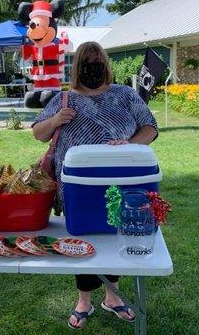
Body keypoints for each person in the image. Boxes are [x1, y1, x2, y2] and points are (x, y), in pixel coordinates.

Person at [32, 41, 158, 329]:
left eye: (97, 62)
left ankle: (112, 296)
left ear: (105, 65)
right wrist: (55, 120)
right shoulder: (64, 99)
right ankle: (84, 300)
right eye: (87, 63)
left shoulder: (124, 95)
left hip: (122, 180)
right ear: (78, 67)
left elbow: (150, 128)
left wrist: (127, 145)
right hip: (77, 185)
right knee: (84, 238)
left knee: (116, 234)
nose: (93, 68)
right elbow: (39, 134)